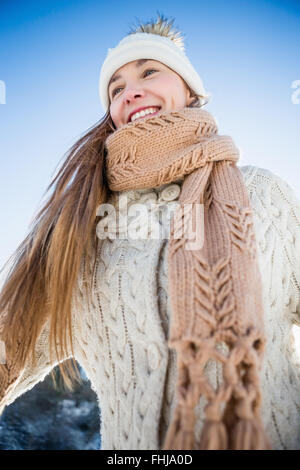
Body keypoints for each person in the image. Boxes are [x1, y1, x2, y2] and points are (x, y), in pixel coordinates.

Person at [0, 13, 300, 451]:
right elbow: (12, 346)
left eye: (149, 70)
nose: (131, 91)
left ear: (191, 91)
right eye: (116, 88)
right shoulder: (80, 232)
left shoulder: (264, 194)